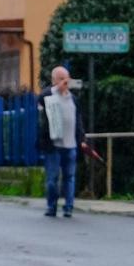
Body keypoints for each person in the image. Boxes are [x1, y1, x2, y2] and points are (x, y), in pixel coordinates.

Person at [34, 65, 86, 219]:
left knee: (69, 177)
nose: (65, 81)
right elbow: (41, 99)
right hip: (54, 145)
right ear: (54, 81)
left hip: (71, 145)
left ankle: (68, 207)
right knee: (52, 178)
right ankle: (51, 206)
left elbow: (78, 121)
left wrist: (81, 138)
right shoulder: (49, 95)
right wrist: (57, 89)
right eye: (62, 78)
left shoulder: (73, 99)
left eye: (67, 78)